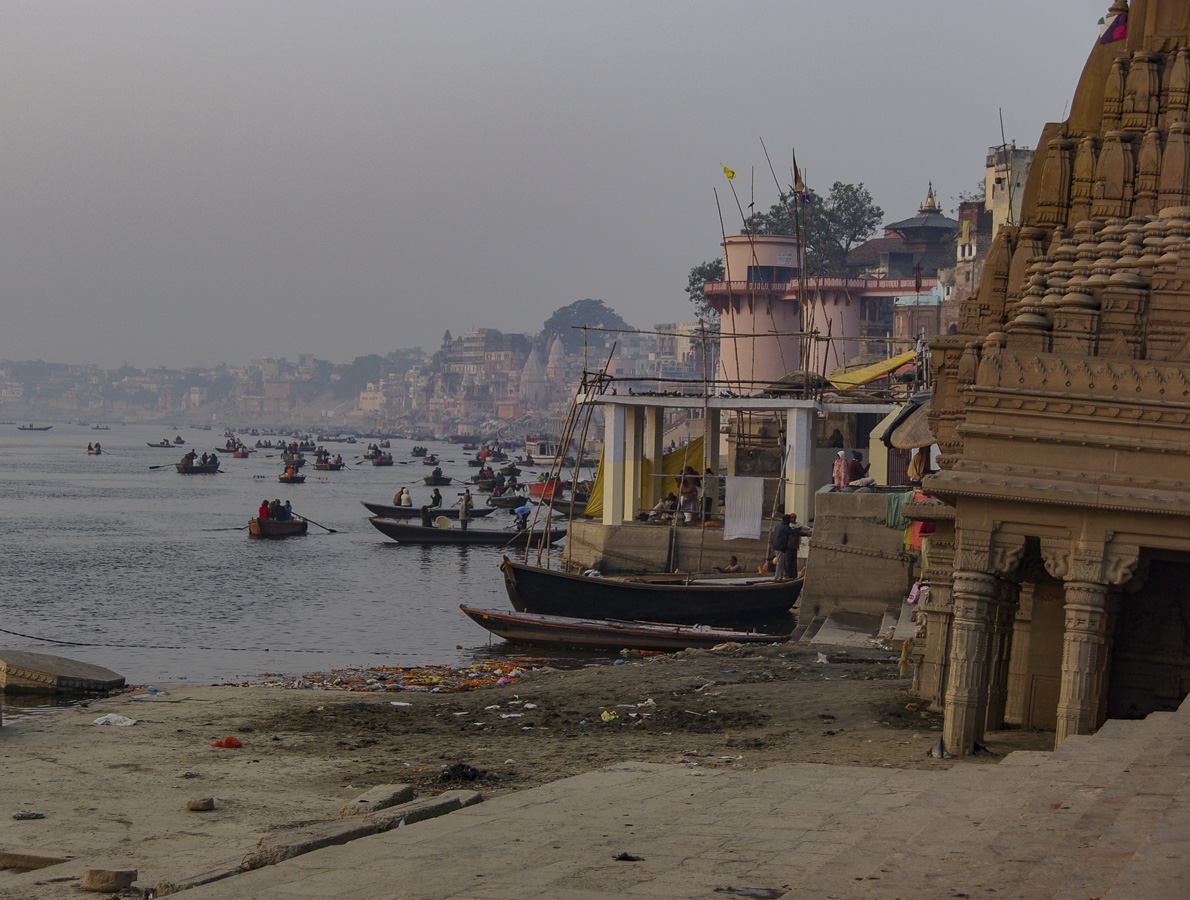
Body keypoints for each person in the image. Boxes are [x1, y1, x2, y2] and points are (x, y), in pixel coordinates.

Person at [770, 513, 795, 581]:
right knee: (780, 562)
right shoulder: (785, 527)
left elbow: (774, 537)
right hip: (779, 547)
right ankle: (777, 577)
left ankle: (779, 576)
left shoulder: (778, 526)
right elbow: (794, 532)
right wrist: (806, 534)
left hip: (777, 546)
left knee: (780, 562)